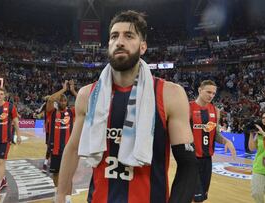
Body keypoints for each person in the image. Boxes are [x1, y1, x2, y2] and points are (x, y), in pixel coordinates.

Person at [56, 10, 197, 203]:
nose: (119, 41)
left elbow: (187, 163)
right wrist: (61, 194)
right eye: (114, 36)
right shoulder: (87, 95)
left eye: (129, 36)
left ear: (143, 46)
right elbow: (72, 149)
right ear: (108, 45)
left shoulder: (170, 94)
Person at [190, 80, 236, 202]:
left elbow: (215, 134)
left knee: (202, 196)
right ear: (200, 90)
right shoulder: (188, 107)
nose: (211, 95)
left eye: (214, 93)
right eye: (208, 92)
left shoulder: (215, 111)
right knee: (194, 195)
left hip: (207, 159)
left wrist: (226, 141)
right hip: (191, 159)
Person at [46, 80, 77, 187]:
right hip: (55, 149)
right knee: (56, 173)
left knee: (68, 174)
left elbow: (85, 103)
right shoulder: (52, 112)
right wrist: (63, 89)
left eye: (64, 101)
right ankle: (57, 193)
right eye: (61, 100)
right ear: (57, 102)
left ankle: (67, 197)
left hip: (68, 149)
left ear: (67, 102)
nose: (63, 102)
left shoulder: (71, 112)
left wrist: (73, 91)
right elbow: (50, 99)